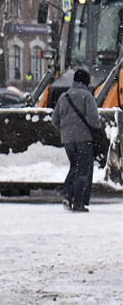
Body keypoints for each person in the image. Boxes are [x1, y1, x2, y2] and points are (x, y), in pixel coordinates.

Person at [51, 67, 101, 212]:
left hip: (68, 140)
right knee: (83, 170)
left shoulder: (63, 96)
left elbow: (55, 120)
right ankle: (78, 202)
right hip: (84, 139)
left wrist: (66, 131)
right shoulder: (87, 96)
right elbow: (93, 120)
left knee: (74, 166)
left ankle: (68, 194)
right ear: (85, 81)